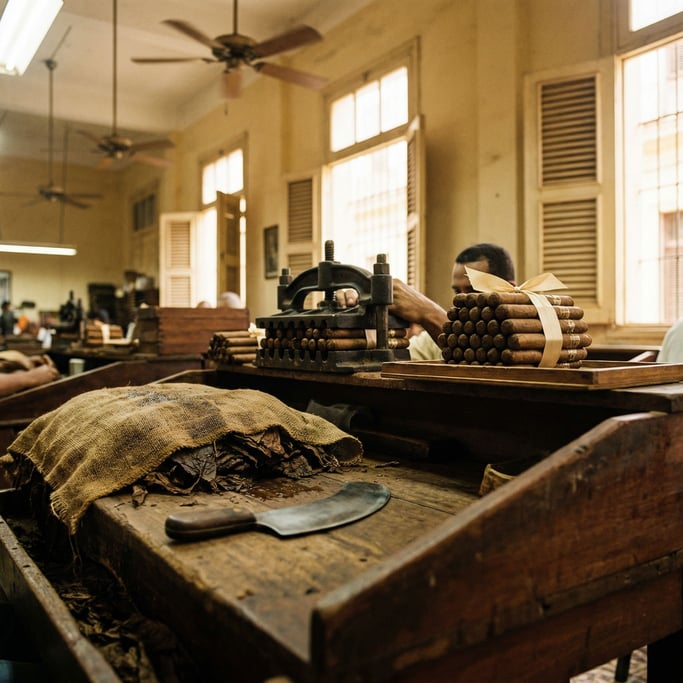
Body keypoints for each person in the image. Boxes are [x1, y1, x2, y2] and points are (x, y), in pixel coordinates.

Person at [337, 243, 516, 360]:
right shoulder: (430, 341)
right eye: (456, 291)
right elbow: (392, 361)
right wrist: (355, 327)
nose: (460, 300)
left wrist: (427, 312)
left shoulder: (533, 332)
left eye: (473, 291)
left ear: (509, 289)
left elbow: (487, 360)